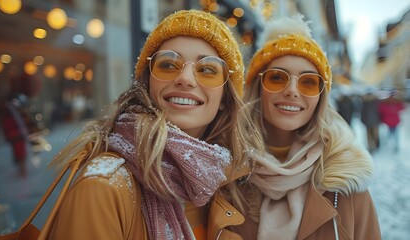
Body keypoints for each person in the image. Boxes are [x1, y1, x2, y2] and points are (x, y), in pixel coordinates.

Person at [45, 9, 262, 240]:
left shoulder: (226, 184)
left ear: (224, 98)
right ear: (148, 84)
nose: (185, 79)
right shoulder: (103, 187)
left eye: (207, 70)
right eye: (168, 65)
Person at [229, 15, 381, 239]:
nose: (292, 90)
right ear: (257, 88)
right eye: (277, 78)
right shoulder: (225, 173)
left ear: (320, 98)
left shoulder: (345, 185)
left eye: (309, 82)